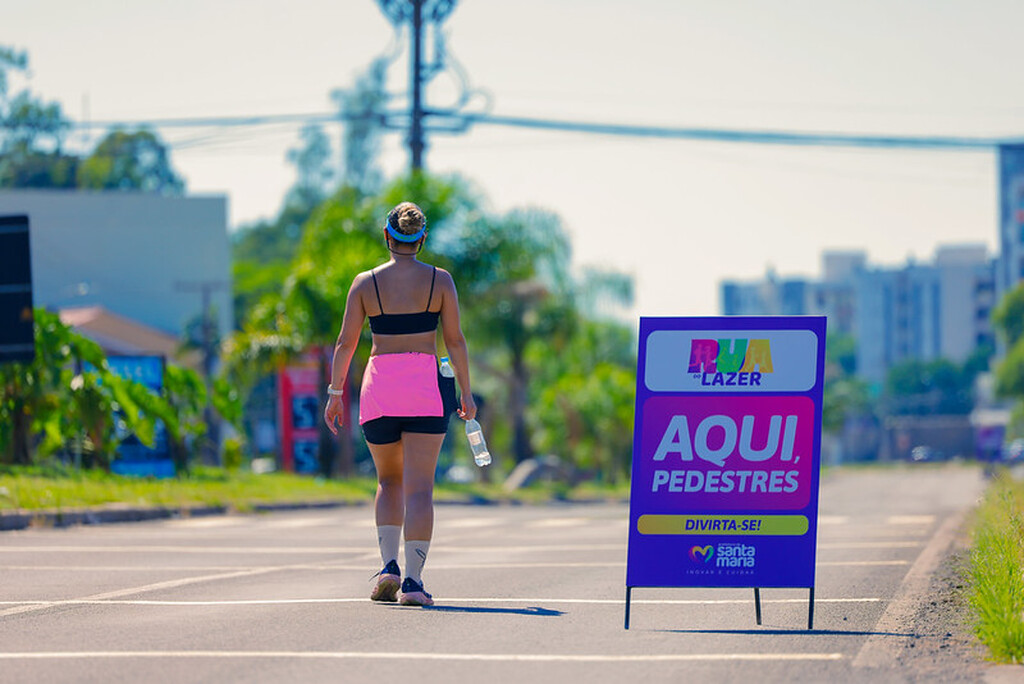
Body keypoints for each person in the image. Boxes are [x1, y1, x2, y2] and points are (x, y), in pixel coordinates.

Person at [324, 201, 476, 607]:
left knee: (388, 480)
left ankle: (388, 564)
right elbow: (455, 340)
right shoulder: (439, 281)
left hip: (380, 391)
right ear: (421, 240)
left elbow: (345, 343)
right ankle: (413, 582)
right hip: (425, 388)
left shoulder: (365, 283)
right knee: (420, 487)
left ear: (387, 237)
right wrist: (465, 391)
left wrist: (335, 393)